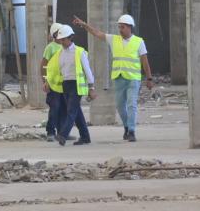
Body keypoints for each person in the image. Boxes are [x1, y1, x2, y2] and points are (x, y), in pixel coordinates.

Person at [72, 14, 153, 142]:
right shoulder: (113, 39)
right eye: (119, 27)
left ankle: (131, 131)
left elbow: (145, 61)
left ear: (130, 27)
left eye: (123, 27)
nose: (120, 30)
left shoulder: (139, 42)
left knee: (132, 105)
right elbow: (96, 33)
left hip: (133, 79)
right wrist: (84, 25)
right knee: (120, 106)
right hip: (119, 78)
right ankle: (126, 126)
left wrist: (149, 78)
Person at [44, 25, 95, 146]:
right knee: (76, 112)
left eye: (64, 39)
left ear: (71, 37)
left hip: (76, 85)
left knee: (71, 111)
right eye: (60, 40)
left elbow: (87, 71)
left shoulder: (79, 52)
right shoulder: (60, 53)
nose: (61, 42)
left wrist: (91, 88)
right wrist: (47, 81)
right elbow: (53, 69)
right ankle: (85, 137)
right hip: (65, 85)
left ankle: (63, 135)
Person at [40, 23, 64, 141]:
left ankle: (62, 132)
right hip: (53, 84)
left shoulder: (66, 46)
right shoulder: (51, 47)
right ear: (55, 34)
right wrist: (45, 81)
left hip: (64, 84)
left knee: (63, 108)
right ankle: (50, 132)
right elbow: (43, 65)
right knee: (54, 107)